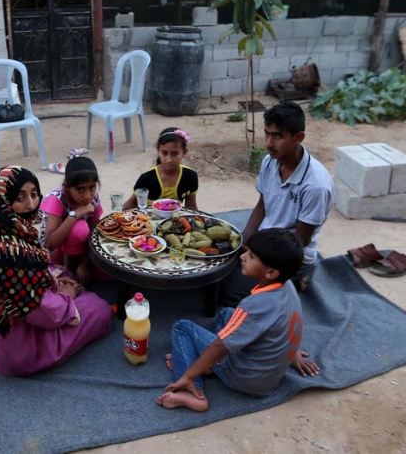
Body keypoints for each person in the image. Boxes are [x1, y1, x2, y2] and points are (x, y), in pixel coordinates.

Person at [0, 166, 112, 377]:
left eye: (34, 195)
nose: (31, 204)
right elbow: (47, 315)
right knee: (100, 310)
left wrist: (52, 283)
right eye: (20, 197)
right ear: (4, 199)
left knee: (60, 272)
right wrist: (66, 298)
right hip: (15, 352)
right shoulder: (13, 256)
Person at [158, 229, 319, 412]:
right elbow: (285, 323)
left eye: (251, 256)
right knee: (227, 313)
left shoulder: (254, 305)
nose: (243, 257)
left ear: (271, 272)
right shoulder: (287, 285)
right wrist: (291, 354)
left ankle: (192, 390)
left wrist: (188, 374)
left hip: (244, 378)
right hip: (269, 374)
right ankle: (199, 361)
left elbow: (220, 347)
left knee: (182, 328)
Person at [220, 101, 333, 303]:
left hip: (288, 256)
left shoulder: (316, 185)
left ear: (298, 138)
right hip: (266, 242)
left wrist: (258, 258)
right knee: (220, 266)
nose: (269, 143)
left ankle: (298, 278)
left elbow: (300, 241)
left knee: (228, 295)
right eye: (267, 134)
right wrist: (243, 245)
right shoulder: (270, 161)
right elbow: (262, 206)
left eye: (278, 136)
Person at [40, 156, 104, 284]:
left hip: (82, 251)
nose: (87, 195)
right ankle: (69, 272)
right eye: (80, 189)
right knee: (79, 229)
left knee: (109, 272)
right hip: (54, 256)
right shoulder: (57, 199)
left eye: (92, 187)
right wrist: (75, 215)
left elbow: (94, 234)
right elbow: (49, 244)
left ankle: (79, 270)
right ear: (67, 187)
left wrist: (85, 263)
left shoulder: (94, 199)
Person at [122, 127, 199, 211]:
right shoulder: (147, 178)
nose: (169, 160)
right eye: (164, 153)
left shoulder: (190, 176)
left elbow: (191, 208)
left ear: (184, 152)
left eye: (175, 154)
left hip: (176, 221)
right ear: (158, 151)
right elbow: (130, 205)